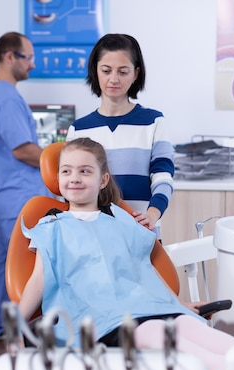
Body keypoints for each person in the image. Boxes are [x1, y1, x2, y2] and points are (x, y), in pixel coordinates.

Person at [17, 138, 234, 370]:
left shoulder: (120, 219)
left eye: (85, 171)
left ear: (103, 180)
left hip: (145, 304)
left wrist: (175, 304)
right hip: (97, 318)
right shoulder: (51, 226)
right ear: (57, 178)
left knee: (188, 324)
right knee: (153, 332)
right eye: (66, 171)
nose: (75, 178)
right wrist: (16, 324)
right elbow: (38, 280)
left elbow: (143, 269)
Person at [0, 31, 51, 345]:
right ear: (9, 56)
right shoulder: (5, 97)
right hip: (17, 197)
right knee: (25, 268)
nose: (33, 65)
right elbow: (22, 149)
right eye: (28, 57)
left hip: (0, 196)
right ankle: (24, 336)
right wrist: (64, 161)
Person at [66, 34, 174, 238]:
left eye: (123, 71)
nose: (113, 79)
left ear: (136, 74)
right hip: (93, 237)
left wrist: (152, 214)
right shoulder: (78, 130)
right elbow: (72, 187)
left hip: (141, 233)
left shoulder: (153, 122)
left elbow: (163, 178)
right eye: (106, 71)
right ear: (95, 71)